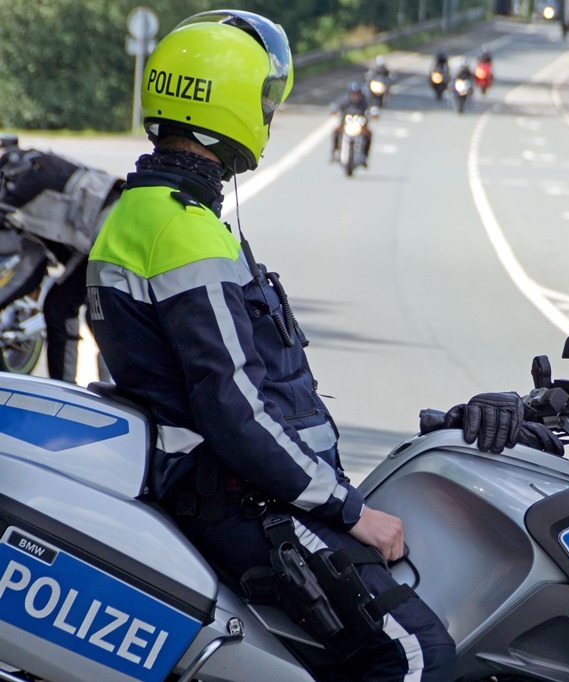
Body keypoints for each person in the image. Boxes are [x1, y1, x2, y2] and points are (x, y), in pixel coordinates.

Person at [83, 10, 545, 679]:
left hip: (216, 488)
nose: (269, 115)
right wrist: (349, 511)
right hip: (240, 500)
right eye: (265, 100)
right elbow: (234, 409)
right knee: (414, 653)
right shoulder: (187, 231)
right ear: (229, 101)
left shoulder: (135, 211)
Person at [0, 139, 121, 382]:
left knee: (75, 310)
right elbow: (31, 264)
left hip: (110, 233)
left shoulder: (21, 181)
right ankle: (67, 390)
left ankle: (107, 394)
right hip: (97, 232)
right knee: (67, 308)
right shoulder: (22, 169)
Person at [331, 82, 374, 165]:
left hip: (360, 126)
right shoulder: (345, 101)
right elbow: (338, 107)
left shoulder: (364, 102)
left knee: (368, 134)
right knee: (336, 131)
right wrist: (334, 111)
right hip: (346, 124)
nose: (356, 96)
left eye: (357, 94)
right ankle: (335, 151)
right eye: (353, 94)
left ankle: (364, 156)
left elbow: (370, 110)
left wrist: (372, 115)